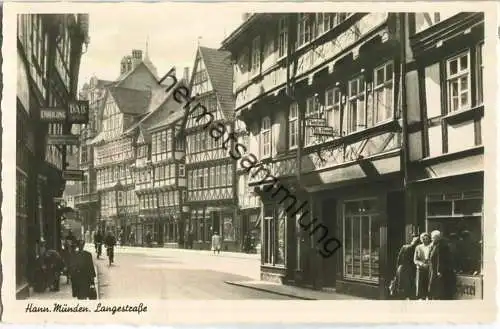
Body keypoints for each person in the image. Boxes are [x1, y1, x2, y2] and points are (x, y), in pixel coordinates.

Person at [429, 230, 455, 300]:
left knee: (440, 286)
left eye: (433, 238)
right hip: (434, 269)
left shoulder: (442, 246)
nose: (431, 239)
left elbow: (440, 259)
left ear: (437, 237)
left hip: (439, 271)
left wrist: (439, 271)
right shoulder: (435, 245)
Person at [394, 235, 420, 299]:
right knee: (408, 286)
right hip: (409, 269)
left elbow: (399, 259)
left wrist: (397, 268)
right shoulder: (416, 248)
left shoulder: (404, 247)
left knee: (402, 286)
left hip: (402, 268)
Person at [414, 232, 432, 300]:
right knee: (420, 283)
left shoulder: (431, 246)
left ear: (429, 239)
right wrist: (422, 264)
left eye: (426, 239)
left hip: (429, 268)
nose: (425, 240)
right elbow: (415, 260)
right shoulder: (418, 247)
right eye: (423, 239)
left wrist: (428, 264)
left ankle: (428, 296)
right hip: (420, 268)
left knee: (428, 283)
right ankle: (421, 297)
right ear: (421, 239)